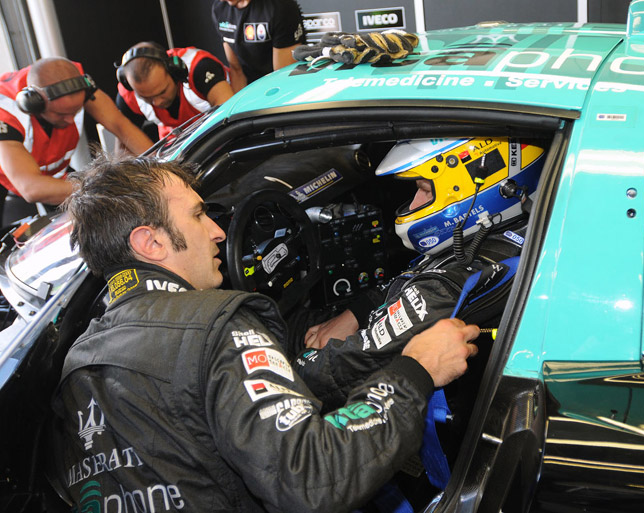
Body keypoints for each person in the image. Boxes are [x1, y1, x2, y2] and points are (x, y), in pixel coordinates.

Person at [49, 155, 479, 513]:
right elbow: (314, 477)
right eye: (199, 216)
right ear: (151, 243)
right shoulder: (215, 327)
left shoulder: (78, 360)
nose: (218, 231)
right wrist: (416, 369)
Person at [295, 137, 546, 409]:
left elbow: (331, 375)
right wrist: (356, 312)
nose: (414, 204)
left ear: (475, 187)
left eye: (425, 190)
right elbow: (417, 274)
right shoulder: (498, 236)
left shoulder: (444, 288)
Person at [0, 57, 153, 225]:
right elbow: (31, 188)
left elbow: (120, 126)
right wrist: (107, 185)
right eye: (61, 114)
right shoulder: (5, 113)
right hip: (14, 184)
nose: (69, 121)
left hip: (54, 174)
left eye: (75, 111)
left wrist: (157, 164)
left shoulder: (74, 83)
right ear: (33, 104)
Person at [115, 42, 234, 140]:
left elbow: (231, 118)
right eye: (146, 97)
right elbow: (122, 150)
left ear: (175, 72)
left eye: (162, 92)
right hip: (175, 150)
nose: (157, 102)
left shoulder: (199, 68)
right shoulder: (128, 96)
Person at [211, 0, 306, 92]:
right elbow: (236, 70)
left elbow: (284, 76)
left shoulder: (281, 6)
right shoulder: (220, 8)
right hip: (250, 89)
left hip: (281, 88)